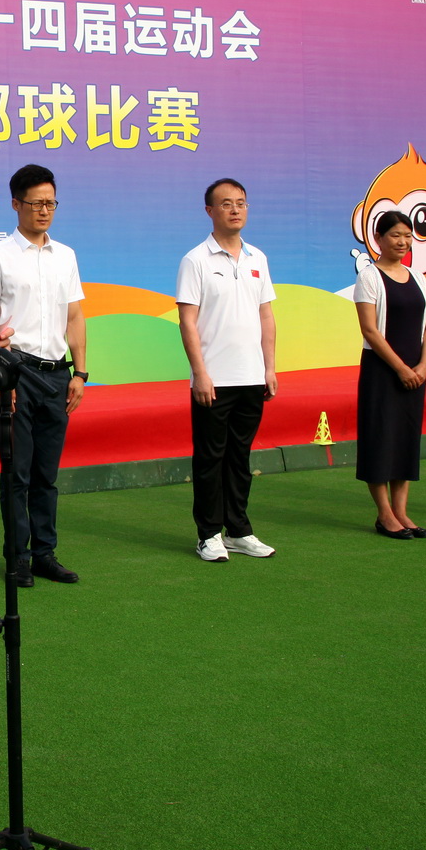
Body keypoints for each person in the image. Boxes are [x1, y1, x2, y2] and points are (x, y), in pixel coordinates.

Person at [0, 164, 87, 587]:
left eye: (50, 203)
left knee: (45, 475)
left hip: (57, 376)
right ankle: (17, 557)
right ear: (15, 204)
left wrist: (81, 372)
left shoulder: (66, 256)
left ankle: (45, 554)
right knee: (17, 473)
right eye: (36, 203)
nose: (44, 211)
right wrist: (1, 374)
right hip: (15, 374)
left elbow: (74, 316)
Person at [176, 178, 279, 562]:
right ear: (210, 211)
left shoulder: (257, 259)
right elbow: (188, 321)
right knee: (210, 459)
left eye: (241, 203)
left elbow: (266, 316)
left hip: (252, 376)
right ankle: (208, 535)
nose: (235, 210)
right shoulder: (196, 260)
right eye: (226, 204)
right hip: (214, 379)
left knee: (240, 458)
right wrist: (200, 373)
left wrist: (270, 368)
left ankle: (238, 530)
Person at [354, 211, 426, 540]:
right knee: (380, 438)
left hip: (416, 373)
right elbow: (370, 331)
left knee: (405, 439)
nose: (402, 242)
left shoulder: (418, 277)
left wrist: (422, 366)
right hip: (382, 371)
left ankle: (402, 512)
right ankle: (384, 514)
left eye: (407, 235)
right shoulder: (369, 276)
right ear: (378, 239)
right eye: (395, 235)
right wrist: (401, 368)